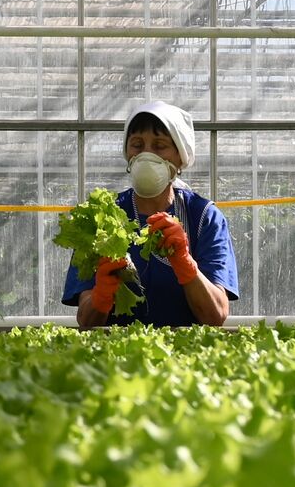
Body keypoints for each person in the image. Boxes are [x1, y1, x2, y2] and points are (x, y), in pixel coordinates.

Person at [61, 101, 239, 328]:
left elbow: (216, 315)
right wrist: (102, 293)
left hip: (187, 359)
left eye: (160, 145)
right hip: (115, 357)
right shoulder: (101, 217)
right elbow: (86, 321)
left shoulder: (203, 217)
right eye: (137, 144)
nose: (146, 154)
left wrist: (185, 264)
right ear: (127, 153)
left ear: (181, 157)